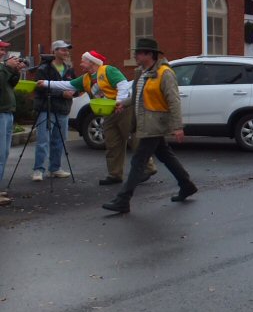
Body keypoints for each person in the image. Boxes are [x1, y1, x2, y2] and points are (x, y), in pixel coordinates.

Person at [102, 37, 197, 213]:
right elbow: (138, 95)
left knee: (138, 161)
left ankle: (123, 200)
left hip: (155, 123)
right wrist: (124, 103)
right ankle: (187, 185)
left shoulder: (164, 73)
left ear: (149, 54)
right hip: (145, 122)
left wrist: (178, 126)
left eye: (138, 53)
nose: (135, 56)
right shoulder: (141, 72)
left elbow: (174, 100)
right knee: (165, 155)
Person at [39, 50, 155, 185]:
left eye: (83, 61)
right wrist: (46, 83)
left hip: (124, 110)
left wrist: (120, 102)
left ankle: (148, 168)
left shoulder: (108, 70)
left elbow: (122, 84)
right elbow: (68, 85)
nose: (80, 64)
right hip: (109, 113)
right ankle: (115, 174)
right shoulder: (85, 78)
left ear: (92, 62)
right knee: (112, 143)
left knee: (134, 140)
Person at [31, 40, 77, 181]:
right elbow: (40, 88)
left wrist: (74, 92)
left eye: (67, 50)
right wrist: (61, 94)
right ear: (55, 51)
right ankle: (38, 170)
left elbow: (75, 85)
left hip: (63, 109)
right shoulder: (44, 68)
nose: (66, 52)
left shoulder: (69, 69)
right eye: (63, 50)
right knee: (43, 140)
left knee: (59, 140)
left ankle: (55, 168)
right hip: (46, 108)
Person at [0, 43, 27, 206]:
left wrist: (15, 71)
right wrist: (8, 68)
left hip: (7, 112)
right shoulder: (3, 67)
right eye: (0, 49)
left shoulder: (3, 67)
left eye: (4, 49)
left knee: (3, 153)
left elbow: (10, 84)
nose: (3, 52)